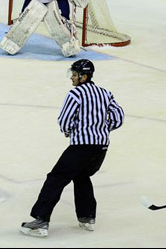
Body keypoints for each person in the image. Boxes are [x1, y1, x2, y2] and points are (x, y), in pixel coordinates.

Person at [20, 59, 124, 237]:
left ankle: (41, 220)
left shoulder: (75, 94)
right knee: (82, 176)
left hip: (81, 147)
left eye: (75, 75)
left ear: (84, 77)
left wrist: (70, 132)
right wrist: (102, 129)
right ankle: (87, 216)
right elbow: (118, 117)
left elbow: (64, 121)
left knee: (56, 178)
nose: (72, 78)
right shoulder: (105, 93)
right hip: (101, 149)